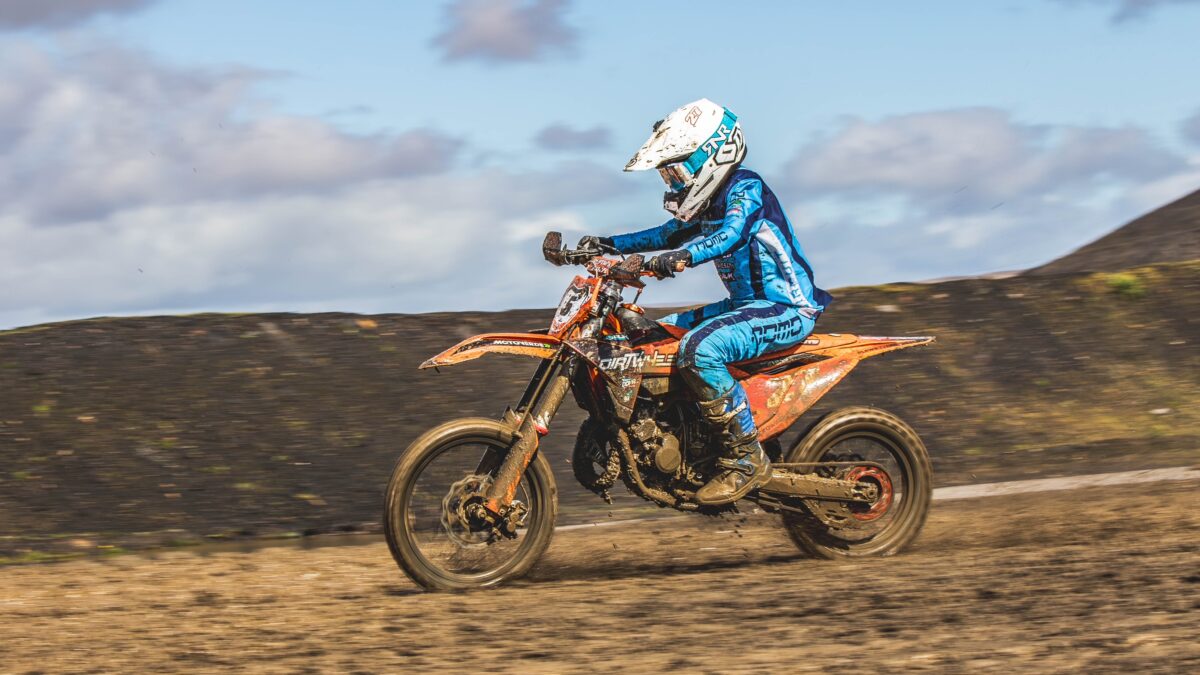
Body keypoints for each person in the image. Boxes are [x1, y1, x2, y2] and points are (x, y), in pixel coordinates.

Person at [578, 98, 832, 506]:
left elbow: (730, 235)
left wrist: (683, 256)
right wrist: (605, 245)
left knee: (701, 350)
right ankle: (688, 439)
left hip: (786, 308)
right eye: (667, 175)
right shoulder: (709, 202)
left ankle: (745, 460)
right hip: (745, 306)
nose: (672, 183)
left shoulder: (745, 189)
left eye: (676, 172)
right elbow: (664, 235)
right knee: (651, 336)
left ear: (712, 156)